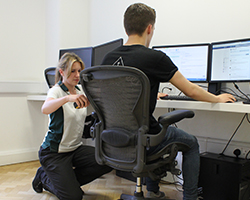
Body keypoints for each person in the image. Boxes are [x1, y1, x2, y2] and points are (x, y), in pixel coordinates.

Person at [101, 3, 236, 200]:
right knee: (191, 143)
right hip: (143, 137)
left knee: (152, 129)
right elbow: (190, 89)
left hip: (115, 139)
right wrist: (217, 98)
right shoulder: (154, 58)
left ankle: (153, 191)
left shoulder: (107, 58)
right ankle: (189, 197)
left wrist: (145, 94)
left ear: (126, 27)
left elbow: (118, 95)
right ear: (149, 28)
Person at [32, 52, 112, 200]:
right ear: (62, 72)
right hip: (54, 153)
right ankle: (43, 177)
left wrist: (152, 94)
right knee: (74, 197)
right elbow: (45, 108)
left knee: (107, 160)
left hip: (75, 149)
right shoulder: (56, 90)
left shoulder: (81, 89)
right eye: (73, 71)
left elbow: (104, 95)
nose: (77, 75)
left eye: (79, 71)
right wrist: (67, 98)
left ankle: (68, 184)